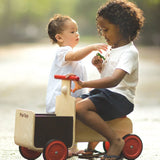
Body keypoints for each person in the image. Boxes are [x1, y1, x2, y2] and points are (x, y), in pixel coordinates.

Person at [70, 0, 144, 159]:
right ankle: (90, 146)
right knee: (74, 104)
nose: (103, 34)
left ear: (122, 28)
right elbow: (108, 76)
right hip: (108, 95)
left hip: (120, 99)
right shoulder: (113, 49)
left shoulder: (129, 52)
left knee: (82, 108)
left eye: (106, 29)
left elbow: (114, 81)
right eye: (101, 30)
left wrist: (84, 84)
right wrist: (100, 67)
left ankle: (116, 141)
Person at [46, 14, 108, 157]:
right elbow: (75, 56)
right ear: (59, 38)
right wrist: (91, 47)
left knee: (73, 123)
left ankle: (73, 147)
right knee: (66, 123)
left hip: (72, 96)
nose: (77, 34)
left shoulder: (72, 53)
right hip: (61, 97)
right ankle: (64, 145)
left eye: (77, 30)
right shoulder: (63, 52)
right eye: (72, 31)